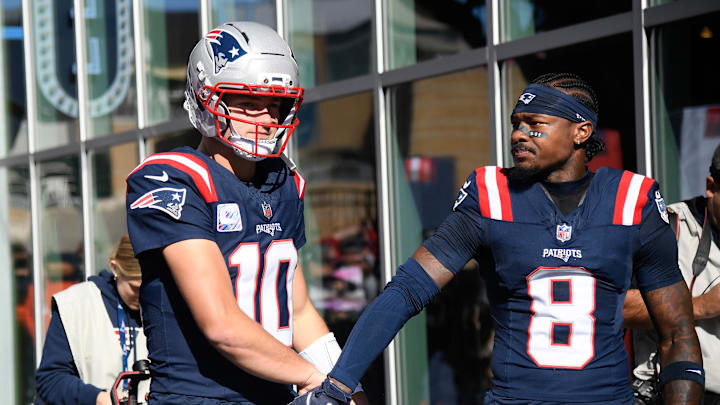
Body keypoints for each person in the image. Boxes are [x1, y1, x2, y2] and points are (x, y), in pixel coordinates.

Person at [291, 73, 705, 405]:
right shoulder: (491, 198)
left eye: (535, 125)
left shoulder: (632, 200)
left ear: (582, 132)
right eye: (516, 125)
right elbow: (406, 291)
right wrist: (339, 382)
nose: (519, 135)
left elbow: (677, 331)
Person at [126, 22, 365, 405]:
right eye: (249, 104)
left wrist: (346, 383)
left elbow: (300, 311)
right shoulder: (172, 180)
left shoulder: (282, 181)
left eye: (275, 105)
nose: (267, 119)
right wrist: (315, 378)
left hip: (275, 394)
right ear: (206, 100)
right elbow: (221, 323)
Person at [624, 144, 720, 404]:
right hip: (680, 394)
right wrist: (700, 306)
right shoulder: (667, 227)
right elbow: (616, 307)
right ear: (711, 187)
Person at [35, 235, 148, 405]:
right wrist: (98, 398)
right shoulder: (76, 303)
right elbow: (50, 379)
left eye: (149, 288)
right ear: (115, 268)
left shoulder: (163, 306)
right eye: (135, 288)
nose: (143, 297)